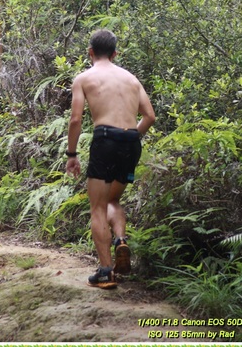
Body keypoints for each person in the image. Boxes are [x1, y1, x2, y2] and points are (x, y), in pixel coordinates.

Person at [65, 29, 155, 289]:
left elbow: (75, 119)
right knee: (112, 199)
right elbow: (150, 117)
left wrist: (72, 154)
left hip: (105, 140)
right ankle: (120, 240)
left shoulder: (84, 78)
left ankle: (105, 271)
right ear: (115, 53)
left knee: (98, 207)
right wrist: (129, 138)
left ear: (90, 52)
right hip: (131, 141)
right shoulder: (131, 79)